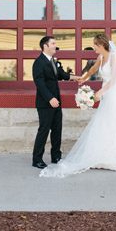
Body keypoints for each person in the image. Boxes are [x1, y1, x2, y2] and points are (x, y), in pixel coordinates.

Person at [39, 33, 116, 177]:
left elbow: (114, 79)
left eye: (95, 45)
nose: (94, 48)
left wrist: (100, 92)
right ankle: (103, 156)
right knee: (103, 123)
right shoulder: (100, 57)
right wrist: (83, 78)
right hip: (105, 94)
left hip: (113, 94)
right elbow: (92, 70)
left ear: (101, 45)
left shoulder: (114, 57)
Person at [31, 35, 79, 169]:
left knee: (57, 130)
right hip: (45, 103)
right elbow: (39, 83)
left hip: (56, 102)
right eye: (53, 43)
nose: (55, 46)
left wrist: (76, 78)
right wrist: (50, 98)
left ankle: (56, 156)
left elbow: (61, 74)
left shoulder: (53, 61)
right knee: (44, 130)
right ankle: (37, 159)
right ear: (45, 46)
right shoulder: (38, 62)